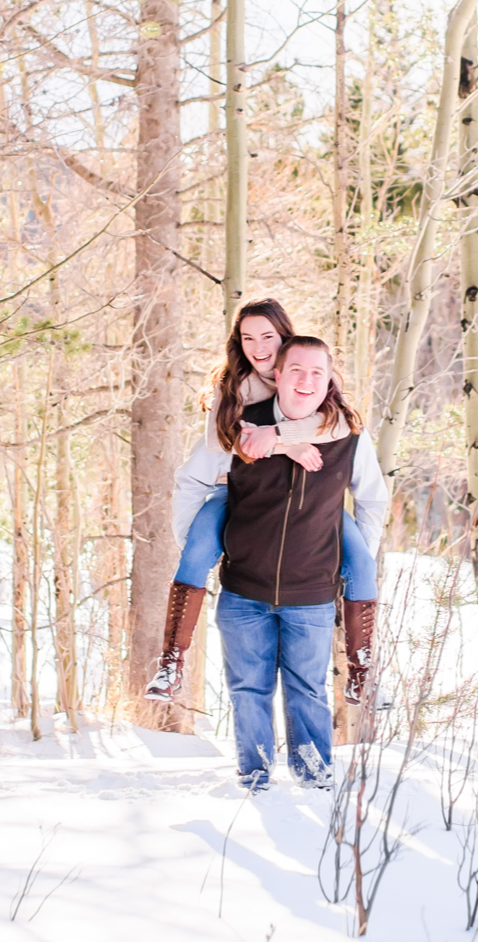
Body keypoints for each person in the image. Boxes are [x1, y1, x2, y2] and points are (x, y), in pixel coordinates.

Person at [144, 298, 380, 703]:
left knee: (362, 563)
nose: (258, 346)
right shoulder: (232, 388)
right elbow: (218, 445)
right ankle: (171, 663)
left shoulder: (308, 373)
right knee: (196, 552)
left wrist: (279, 436)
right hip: (235, 490)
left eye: (267, 336)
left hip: (314, 504)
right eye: (247, 337)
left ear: (284, 338)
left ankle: (363, 672)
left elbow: (340, 425)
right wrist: (278, 444)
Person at [215, 334, 388, 792]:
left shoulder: (348, 435)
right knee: (248, 691)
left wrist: (350, 557)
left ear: (329, 378)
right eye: (296, 370)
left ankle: (314, 780)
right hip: (242, 591)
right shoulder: (240, 427)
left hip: (310, 595)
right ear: (278, 374)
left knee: (308, 691)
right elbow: (199, 482)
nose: (306, 380)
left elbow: (372, 499)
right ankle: (254, 779)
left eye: (317, 372)